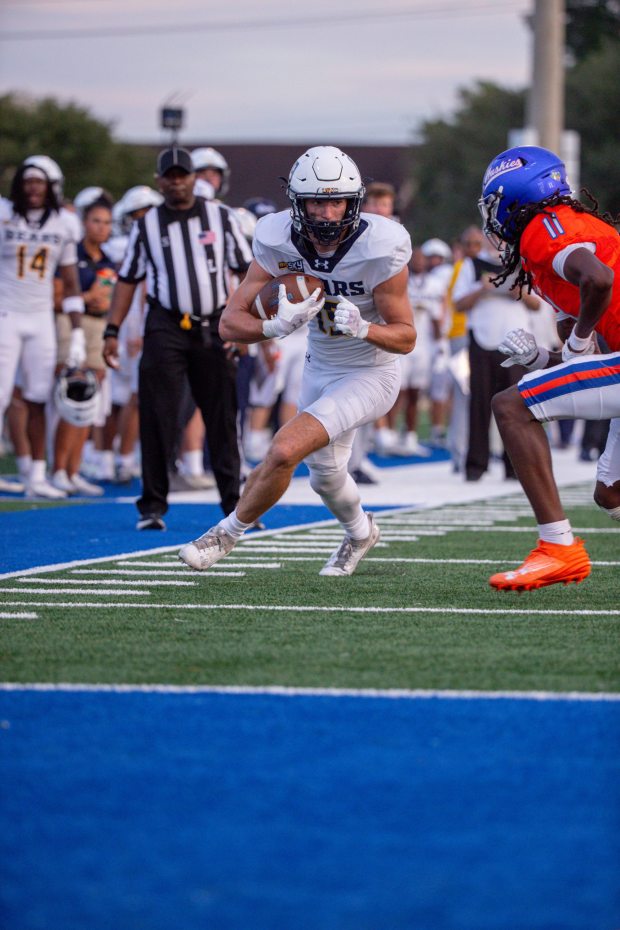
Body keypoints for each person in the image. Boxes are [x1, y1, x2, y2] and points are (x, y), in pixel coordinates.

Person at [178, 145, 415, 576]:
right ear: (296, 203)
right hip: (318, 365)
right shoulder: (277, 238)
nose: (326, 213)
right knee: (325, 475)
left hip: (370, 372)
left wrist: (364, 327)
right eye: (315, 202)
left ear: (353, 201)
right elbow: (229, 323)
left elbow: (406, 337)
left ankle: (225, 534)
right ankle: (360, 533)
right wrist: (273, 326)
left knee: (285, 448)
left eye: (336, 201)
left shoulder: (381, 246)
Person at [478, 144, 620, 590]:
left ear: (516, 198)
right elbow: (586, 362)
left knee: (511, 406)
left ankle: (558, 548)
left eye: (495, 205)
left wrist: (577, 340)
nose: (492, 218)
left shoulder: (544, 227)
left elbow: (599, 279)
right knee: (612, 492)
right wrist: (541, 359)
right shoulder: (554, 239)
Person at [103, 145, 253, 529]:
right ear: (159, 181)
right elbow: (127, 279)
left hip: (214, 323)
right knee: (157, 413)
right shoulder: (147, 224)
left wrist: (243, 325)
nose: (176, 182)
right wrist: (112, 330)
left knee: (222, 417)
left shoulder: (221, 217)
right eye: (168, 176)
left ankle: (235, 507)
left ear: (193, 178)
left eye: (182, 175)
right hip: (166, 324)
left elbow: (247, 272)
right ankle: (152, 507)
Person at [0, 157, 87, 499]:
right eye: (28, 181)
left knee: (39, 397)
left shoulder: (64, 224)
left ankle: (36, 474)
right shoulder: (5, 214)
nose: (34, 188)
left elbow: (70, 282)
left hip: (40, 318)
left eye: (40, 182)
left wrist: (77, 332)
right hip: (6, 313)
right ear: (19, 185)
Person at [452, 233, 540, 482]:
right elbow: (458, 304)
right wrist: (482, 288)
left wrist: (517, 292)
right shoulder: (472, 264)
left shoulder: (521, 262)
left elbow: (537, 304)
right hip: (482, 338)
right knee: (479, 403)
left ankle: (515, 466)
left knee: (517, 406)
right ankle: (475, 466)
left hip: (516, 342)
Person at [52, 198, 116, 496]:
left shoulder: (107, 260)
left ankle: (74, 470)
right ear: (84, 223)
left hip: (98, 326)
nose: (102, 227)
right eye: (96, 221)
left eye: (107, 222)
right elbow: (56, 298)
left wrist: (103, 303)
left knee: (90, 401)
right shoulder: (71, 253)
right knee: (73, 396)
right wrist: (90, 297)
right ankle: (58, 469)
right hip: (72, 324)